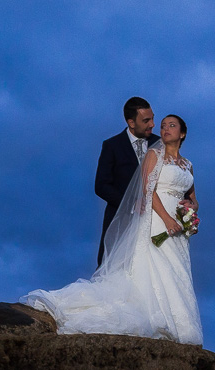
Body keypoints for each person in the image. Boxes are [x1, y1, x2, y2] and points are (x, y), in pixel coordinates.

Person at [23, 114, 203, 345]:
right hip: (158, 219)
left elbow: (193, 198)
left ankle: (180, 325)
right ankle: (158, 319)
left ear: (182, 133)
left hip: (179, 226)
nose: (165, 129)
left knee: (176, 270)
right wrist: (167, 219)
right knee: (154, 265)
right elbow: (148, 190)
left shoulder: (188, 165)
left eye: (172, 125)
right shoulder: (153, 155)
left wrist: (191, 209)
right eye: (163, 126)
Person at [95, 97, 159, 266]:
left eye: (152, 118)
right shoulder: (112, 146)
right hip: (121, 223)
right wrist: (131, 203)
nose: (152, 124)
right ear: (131, 122)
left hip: (155, 224)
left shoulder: (160, 144)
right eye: (146, 120)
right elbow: (101, 185)